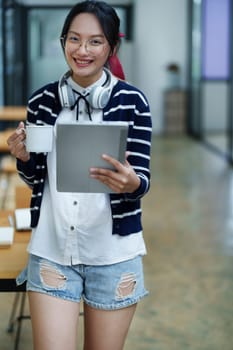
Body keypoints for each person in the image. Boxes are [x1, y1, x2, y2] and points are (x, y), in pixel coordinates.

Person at [7, 1, 152, 349]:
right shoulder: (42, 100)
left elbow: (141, 181)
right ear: (63, 42)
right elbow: (35, 177)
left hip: (113, 256)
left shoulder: (133, 101)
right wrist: (23, 158)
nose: (82, 50)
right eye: (74, 39)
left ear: (111, 47)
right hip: (52, 251)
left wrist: (130, 183)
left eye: (95, 41)